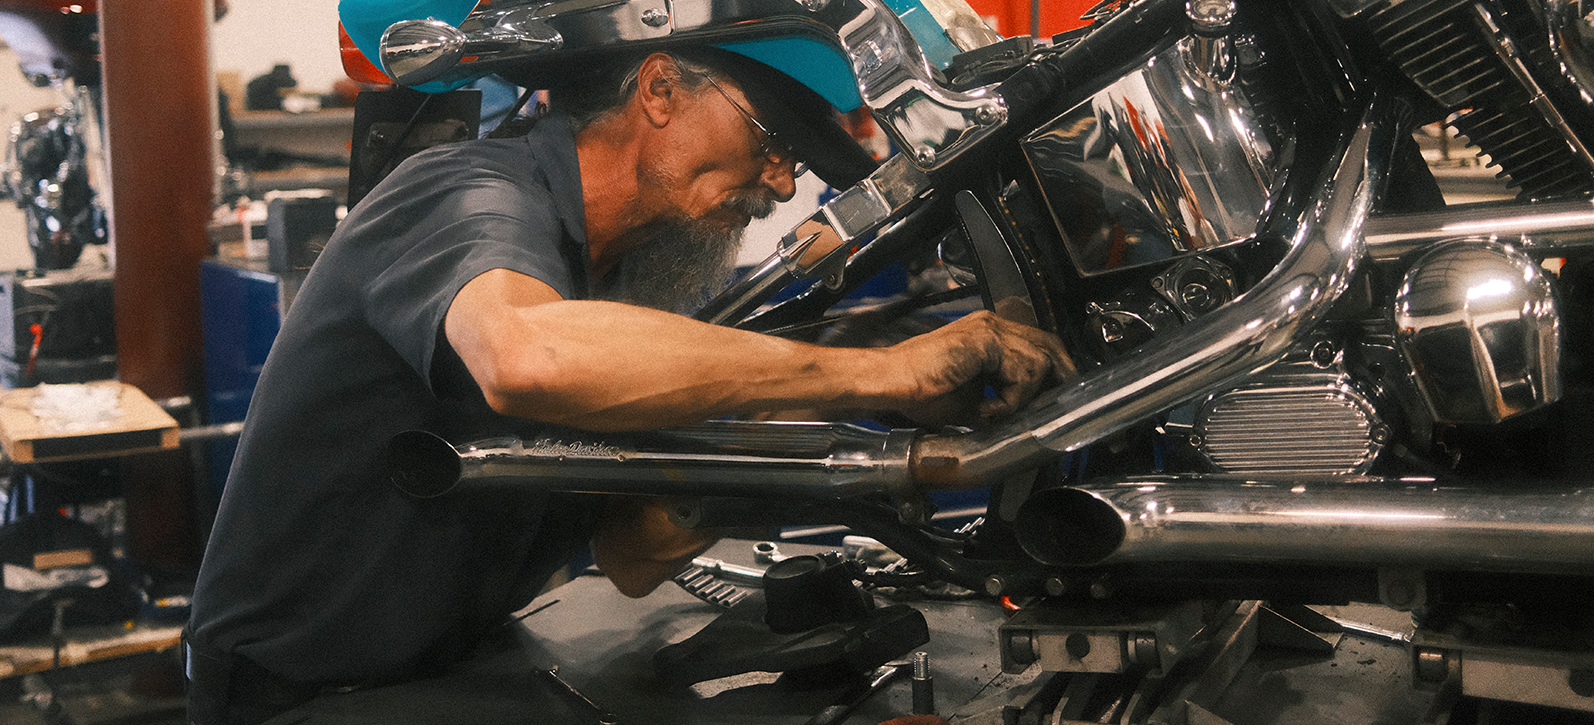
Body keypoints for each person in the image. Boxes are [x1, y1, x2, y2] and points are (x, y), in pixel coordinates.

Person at [184, 47, 1069, 725]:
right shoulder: (465, 193)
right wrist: (883, 370)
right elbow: (526, 357)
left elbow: (628, 556)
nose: (782, 182)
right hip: (302, 694)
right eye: (770, 139)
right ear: (658, 90)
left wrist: (738, 467)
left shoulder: (615, 279)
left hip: (445, 665)